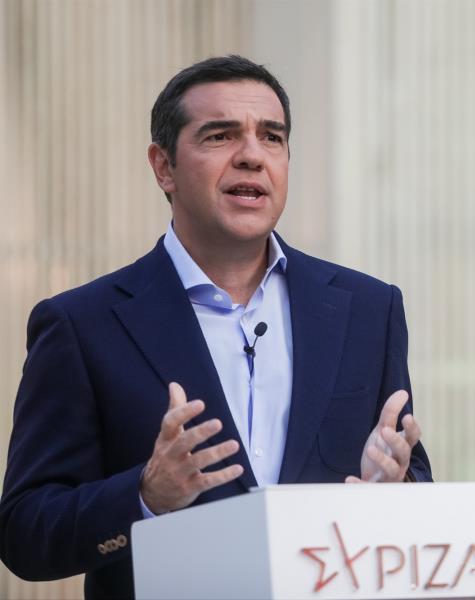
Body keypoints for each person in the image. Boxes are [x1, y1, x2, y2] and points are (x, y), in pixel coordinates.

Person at [0, 55, 431, 599]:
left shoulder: (368, 309)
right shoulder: (82, 324)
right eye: (221, 135)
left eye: (271, 137)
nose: (252, 155)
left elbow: (413, 479)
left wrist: (396, 492)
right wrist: (145, 496)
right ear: (164, 167)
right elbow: (25, 533)